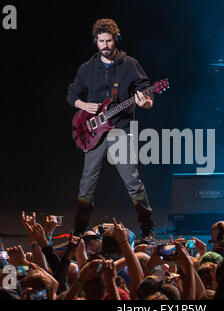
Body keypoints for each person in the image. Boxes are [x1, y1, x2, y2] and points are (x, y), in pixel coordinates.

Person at [66, 18, 155, 243]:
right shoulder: (86, 68)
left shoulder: (129, 64)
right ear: (95, 41)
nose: (105, 45)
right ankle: (79, 230)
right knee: (87, 182)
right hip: (93, 132)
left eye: (108, 41)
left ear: (116, 39)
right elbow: (71, 94)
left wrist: (145, 102)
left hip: (121, 129)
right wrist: (83, 105)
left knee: (132, 180)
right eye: (100, 41)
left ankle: (148, 228)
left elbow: (146, 92)